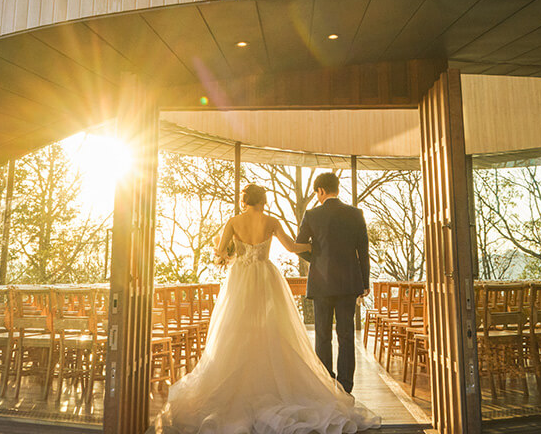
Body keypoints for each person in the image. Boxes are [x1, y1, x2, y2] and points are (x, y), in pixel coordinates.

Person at [153, 183, 379, 434]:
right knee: (275, 330)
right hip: (266, 276)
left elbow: (219, 255)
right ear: (263, 200)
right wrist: (316, 247)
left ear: (245, 201)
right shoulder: (271, 221)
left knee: (234, 331)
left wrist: (226, 255)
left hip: (239, 279)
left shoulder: (233, 221)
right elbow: (293, 247)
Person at [295, 172, 370, 395]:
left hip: (321, 283)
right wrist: (364, 282)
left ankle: (327, 383)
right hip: (349, 283)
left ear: (320, 191)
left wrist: (317, 259)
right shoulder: (356, 214)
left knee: (322, 335)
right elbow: (363, 252)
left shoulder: (311, 215)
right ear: (337, 188)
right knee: (346, 336)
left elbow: (300, 246)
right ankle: (346, 386)